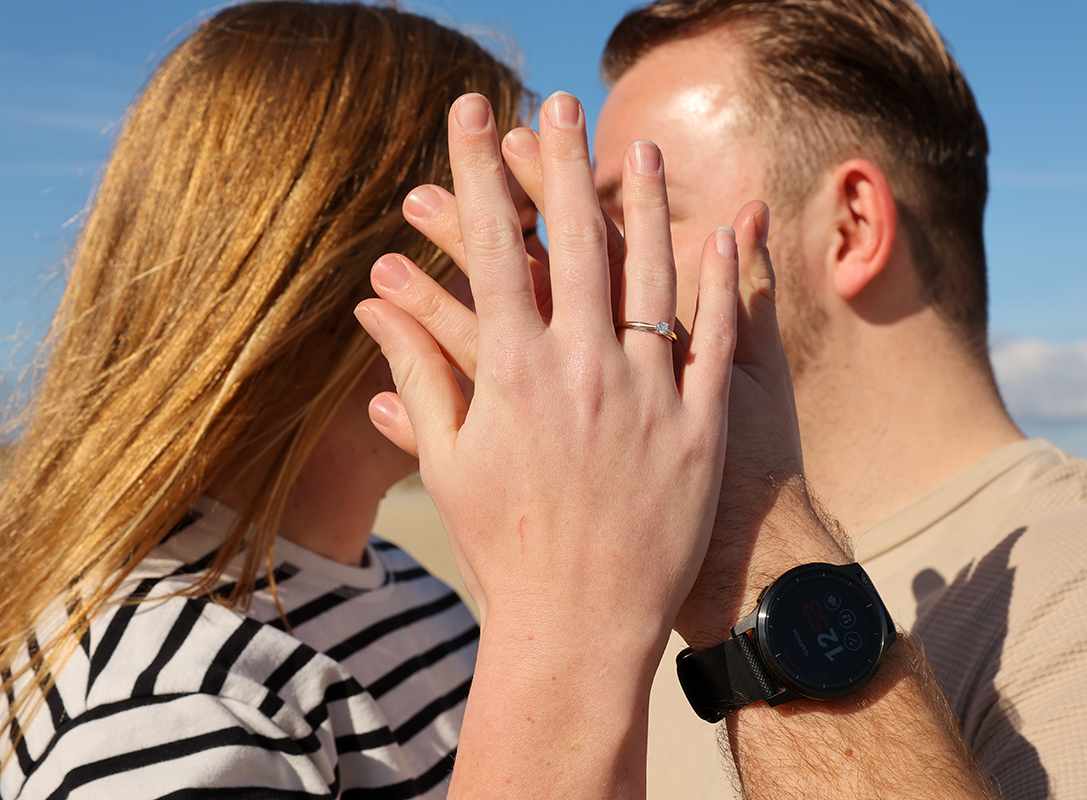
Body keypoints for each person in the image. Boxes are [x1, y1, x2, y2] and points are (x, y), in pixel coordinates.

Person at [378, 0, 1087, 797]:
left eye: (641, 213)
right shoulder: (631, 551)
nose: (588, 267)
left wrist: (744, 517)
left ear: (849, 226)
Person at [0, 4, 737, 798]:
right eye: (517, 235)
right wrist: (574, 613)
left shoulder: (394, 582)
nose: (559, 288)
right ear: (320, 274)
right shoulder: (171, 711)